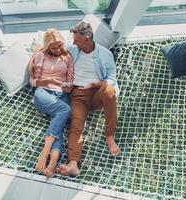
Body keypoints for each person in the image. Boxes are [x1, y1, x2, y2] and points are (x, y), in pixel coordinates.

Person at [58, 21, 121, 176]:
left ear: (87, 39)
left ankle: (109, 135)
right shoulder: (72, 50)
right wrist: (67, 84)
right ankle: (73, 163)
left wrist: (96, 84)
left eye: (77, 40)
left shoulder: (105, 54)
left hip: (96, 91)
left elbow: (112, 77)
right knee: (76, 124)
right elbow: (53, 50)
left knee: (110, 91)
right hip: (78, 94)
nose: (73, 42)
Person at [28, 28, 74, 177]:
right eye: (53, 47)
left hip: (61, 95)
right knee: (65, 110)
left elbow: (70, 81)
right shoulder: (41, 55)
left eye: (59, 45)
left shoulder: (68, 57)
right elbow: (33, 81)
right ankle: (45, 151)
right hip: (44, 92)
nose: (57, 49)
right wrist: (49, 80)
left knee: (57, 126)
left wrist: (67, 86)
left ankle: (52, 165)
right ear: (48, 47)